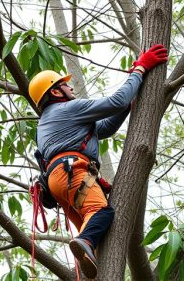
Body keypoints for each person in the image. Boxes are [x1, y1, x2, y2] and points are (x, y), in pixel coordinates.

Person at [28, 44, 168, 279]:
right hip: (72, 172)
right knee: (101, 212)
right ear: (55, 92)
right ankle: (84, 242)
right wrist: (140, 69)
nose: (70, 86)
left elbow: (105, 127)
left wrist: (128, 104)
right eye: (65, 84)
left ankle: (89, 254)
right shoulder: (68, 109)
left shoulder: (48, 123)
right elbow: (115, 101)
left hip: (59, 181)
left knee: (95, 228)